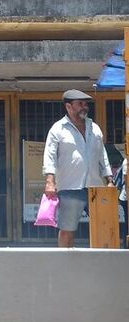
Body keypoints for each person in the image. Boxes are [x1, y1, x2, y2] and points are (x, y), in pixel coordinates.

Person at [43, 89, 115, 248]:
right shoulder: (58, 129)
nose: (85, 107)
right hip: (70, 186)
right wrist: (50, 181)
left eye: (86, 104)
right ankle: (65, 264)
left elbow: (102, 155)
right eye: (80, 104)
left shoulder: (94, 127)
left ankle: (103, 263)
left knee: (104, 226)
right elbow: (50, 156)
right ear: (69, 106)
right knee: (67, 228)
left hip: (95, 187)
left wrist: (109, 179)